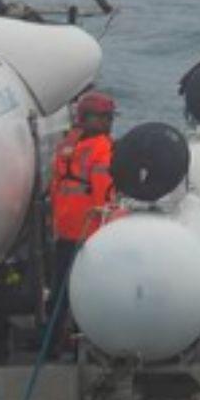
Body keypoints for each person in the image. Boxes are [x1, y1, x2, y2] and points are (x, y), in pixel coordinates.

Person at [46, 90, 117, 352]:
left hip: (65, 229)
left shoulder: (66, 146)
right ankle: (83, 344)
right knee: (90, 292)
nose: (109, 123)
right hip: (91, 232)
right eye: (105, 117)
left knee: (60, 293)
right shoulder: (102, 149)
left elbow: (55, 188)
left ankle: (53, 342)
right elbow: (105, 195)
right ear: (89, 118)